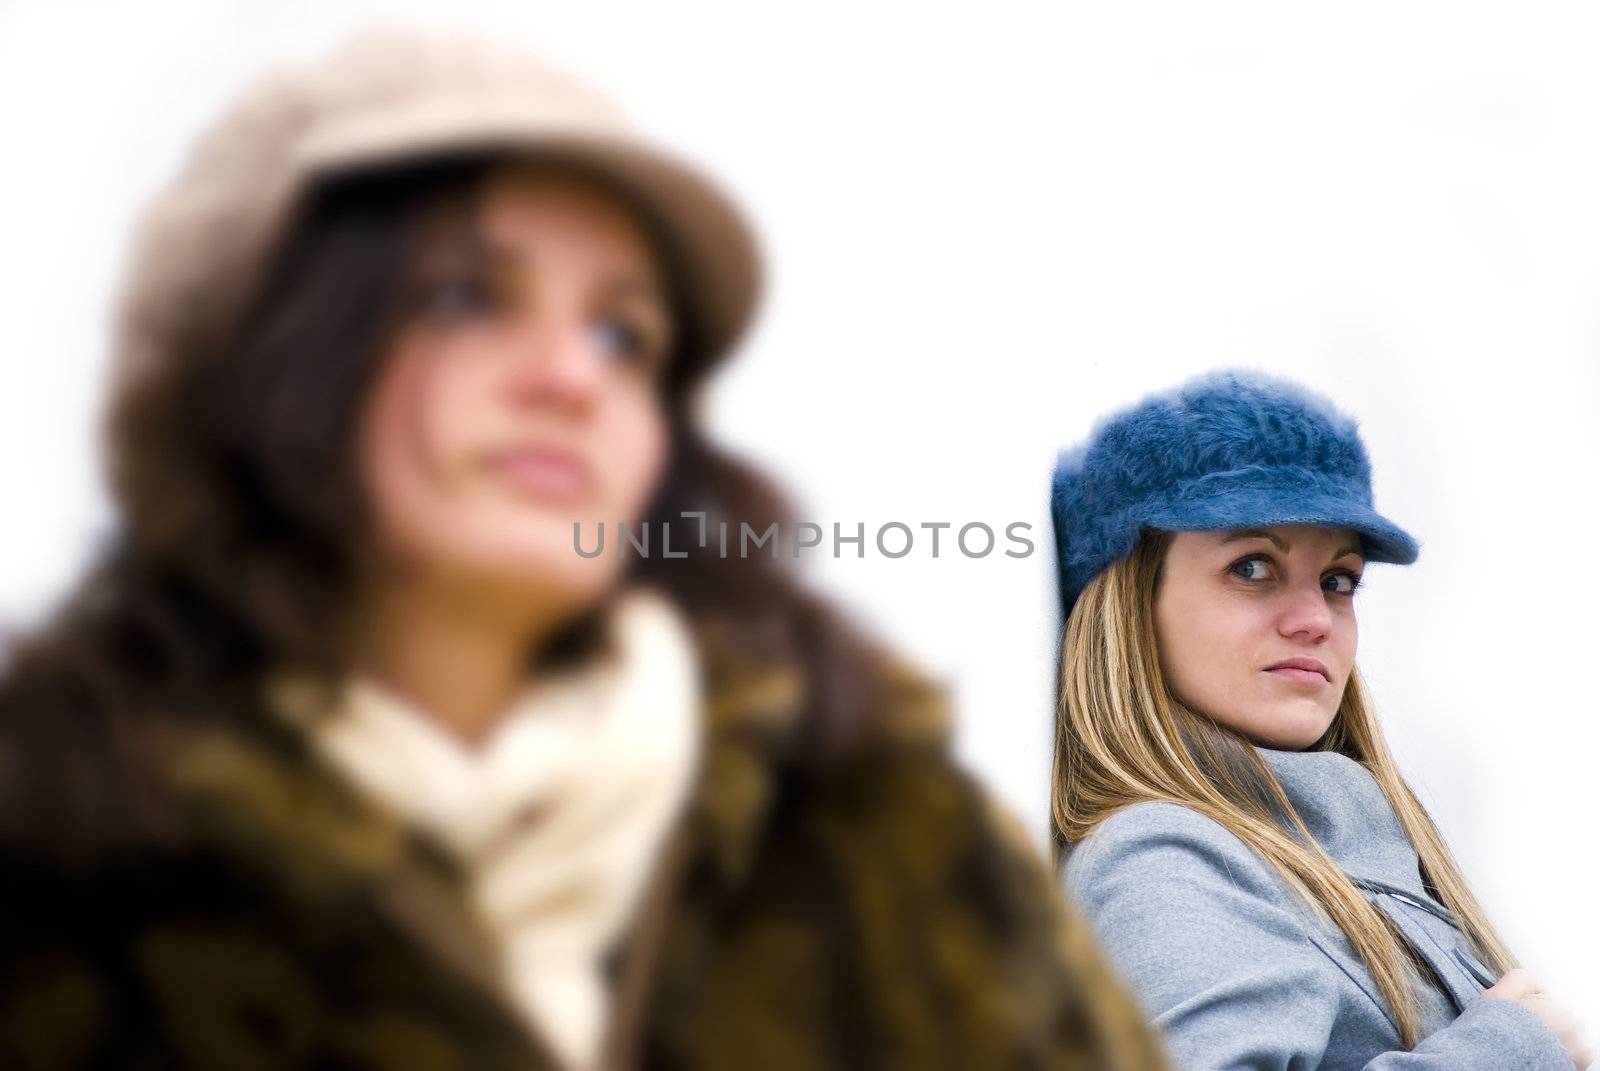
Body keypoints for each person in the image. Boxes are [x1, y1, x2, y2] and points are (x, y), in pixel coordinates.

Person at [0, 27, 1168, 1071]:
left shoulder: (889, 837)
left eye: (624, 333)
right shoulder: (63, 860)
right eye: (466, 297)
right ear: (268, 355)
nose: (570, 379)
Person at [1047, 368, 1592, 1069]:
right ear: (1129, 605)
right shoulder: (1163, 857)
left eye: (1338, 580)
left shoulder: (1356, 840)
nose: (1314, 620)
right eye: (1252, 567)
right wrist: (1511, 1049)